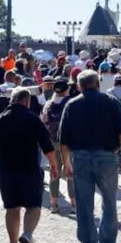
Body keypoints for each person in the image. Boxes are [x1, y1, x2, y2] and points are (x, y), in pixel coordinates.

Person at [58, 70, 121, 243]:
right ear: (98, 84)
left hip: (81, 158)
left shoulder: (71, 105)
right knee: (109, 201)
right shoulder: (110, 102)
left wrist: (66, 164)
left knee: (84, 204)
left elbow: (63, 141)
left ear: (78, 86)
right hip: (106, 157)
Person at [0, 88, 59, 243]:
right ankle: (27, 234)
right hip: (29, 168)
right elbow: (47, 146)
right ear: (27, 101)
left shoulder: (0, 120)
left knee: (12, 207)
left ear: (12, 100)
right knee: (33, 205)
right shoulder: (33, 119)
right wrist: (54, 165)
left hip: (5, 169)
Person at [41, 78, 74, 214]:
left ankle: (54, 204)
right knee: (70, 172)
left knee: (54, 172)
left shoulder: (49, 104)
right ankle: (74, 204)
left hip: (52, 142)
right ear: (66, 90)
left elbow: (44, 121)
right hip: (68, 142)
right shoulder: (71, 103)